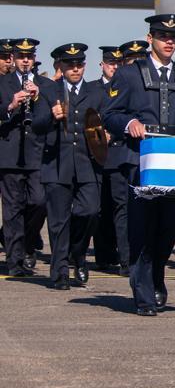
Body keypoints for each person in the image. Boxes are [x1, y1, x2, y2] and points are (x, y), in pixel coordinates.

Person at [101, 15, 175, 315]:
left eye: (173, 36)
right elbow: (109, 114)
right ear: (150, 38)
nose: (169, 41)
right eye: (163, 35)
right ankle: (143, 295)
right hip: (139, 162)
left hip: (174, 166)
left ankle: (156, 277)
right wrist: (130, 122)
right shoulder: (128, 75)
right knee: (141, 229)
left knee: (167, 231)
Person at [31, 43, 105, 289]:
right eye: (70, 64)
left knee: (90, 211)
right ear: (60, 67)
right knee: (58, 220)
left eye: (79, 64)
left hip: (87, 164)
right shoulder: (49, 91)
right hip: (57, 164)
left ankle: (78, 253)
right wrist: (51, 115)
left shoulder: (96, 92)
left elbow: (106, 124)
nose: (75, 69)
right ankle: (60, 270)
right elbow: (37, 126)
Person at [0, 37, 54, 276]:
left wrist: (37, 97)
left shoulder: (45, 85)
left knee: (39, 201)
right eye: (21, 57)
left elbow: (53, 114)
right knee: (12, 209)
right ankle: (15, 262)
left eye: (29, 57)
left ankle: (28, 244)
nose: (25, 61)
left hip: (37, 154)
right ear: (13, 59)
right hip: (10, 154)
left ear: (34, 59)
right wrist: (11, 105)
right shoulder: (2, 83)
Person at [92, 45, 130, 275]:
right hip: (96, 156)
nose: (114, 68)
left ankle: (125, 259)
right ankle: (103, 255)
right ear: (102, 65)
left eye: (118, 64)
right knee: (99, 209)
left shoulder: (126, 87)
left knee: (121, 208)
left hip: (118, 154)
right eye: (110, 64)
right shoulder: (92, 89)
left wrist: (113, 133)